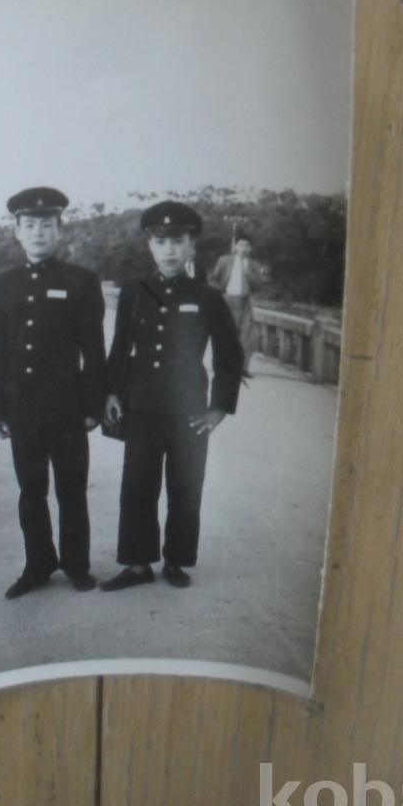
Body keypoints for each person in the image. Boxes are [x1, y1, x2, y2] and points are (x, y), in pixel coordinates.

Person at [100, 201, 244, 591]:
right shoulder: (134, 291)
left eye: (178, 241)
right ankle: (137, 564)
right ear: (150, 246)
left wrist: (219, 407)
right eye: (161, 242)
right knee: (137, 488)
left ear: (191, 247)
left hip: (189, 409)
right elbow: (119, 347)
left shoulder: (208, 297)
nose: (169, 250)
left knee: (185, 486)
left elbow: (230, 354)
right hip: (142, 405)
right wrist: (111, 392)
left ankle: (176, 560)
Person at [0, 188, 107, 599]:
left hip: (67, 407)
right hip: (22, 408)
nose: (38, 232)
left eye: (46, 225)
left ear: (60, 231)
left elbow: (94, 349)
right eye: (30, 225)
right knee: (31, 492)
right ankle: (38, 564)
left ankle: (76, 564)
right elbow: (0, 351)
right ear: (17, 232)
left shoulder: (81, 281)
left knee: (71, 491)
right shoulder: (3, 285)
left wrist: (93, 405)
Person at [208, 233, 266, 377]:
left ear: (251, 249)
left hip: (245, 301)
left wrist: (249, 274)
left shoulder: (254, 265)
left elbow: (259, 286)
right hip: (228, 299)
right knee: (226, 334)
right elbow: (213, 279)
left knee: (247, 337)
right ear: (235, 247)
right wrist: (219, 294)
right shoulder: (224, 260)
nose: (244, 249)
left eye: (247, 246)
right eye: (241, 245)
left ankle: (242, 368)